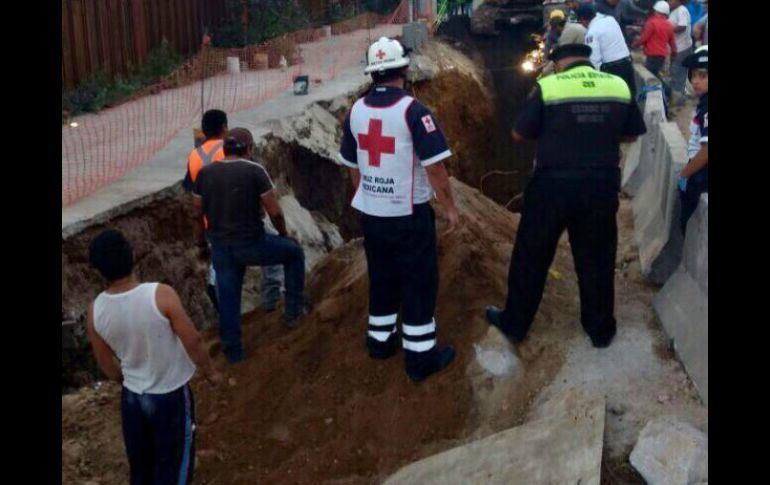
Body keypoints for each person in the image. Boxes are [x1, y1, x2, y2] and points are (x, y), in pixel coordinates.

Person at [485, 43, 646, 348]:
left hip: (552, 184)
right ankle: (600, 330)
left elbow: (519, 133)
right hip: (600, 183)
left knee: (531, 255)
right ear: (589, 61)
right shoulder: (618, 85)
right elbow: (631, 133)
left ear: (559, 64)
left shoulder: (550, 86)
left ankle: (515, 325)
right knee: (597, 256)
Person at [338, 37, 459, 383]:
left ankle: (380, 342)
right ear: (404, 70)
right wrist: (449, 208)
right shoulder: (414, 112)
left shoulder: (355, 110)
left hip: (373, 216)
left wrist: (366, 193)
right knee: (418, 282)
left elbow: (352, 163)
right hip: (408, 215)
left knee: (382, 276)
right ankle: (420, 359)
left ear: (372, 74)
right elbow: (435, 168)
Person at [86, 229, 223, 485]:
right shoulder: (160, 295)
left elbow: (106, 363)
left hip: (132, 400)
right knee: (174, 466)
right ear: (131, 256)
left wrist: (128, 381)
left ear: (99, 271)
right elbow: (192, 340)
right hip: (169, 395)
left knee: (141, 467)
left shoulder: (96, 311)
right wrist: (211, 372)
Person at [193, 127, 307, 363]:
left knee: (228, 299)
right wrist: (284, 234)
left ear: (224, 149)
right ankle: (293, 312)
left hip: (221, 247)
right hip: (252, 243)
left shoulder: (205, 173)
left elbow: (196, 213)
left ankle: (233, 352)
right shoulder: (255, 171)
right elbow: (273, 210)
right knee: (294, 254)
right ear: (249, 149)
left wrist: (201, 244)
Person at [183, 109, 283, 314]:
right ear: (224, 128)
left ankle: (222, 303)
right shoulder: (232, 149)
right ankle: (272, 301)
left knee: (221, 265)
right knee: (276, 253)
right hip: (240, 223)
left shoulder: (194, 156)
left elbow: (193, 195)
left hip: (212, 223)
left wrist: (200, 237)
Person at [578, 4, 637, 101]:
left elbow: (594, 60)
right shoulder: (610, 19)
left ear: (583, 19)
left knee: (616, 103)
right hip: (627, 64)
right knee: (631, 99)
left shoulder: (592, 33)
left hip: (613, 70)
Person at [677, 45, 708, 234]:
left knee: (688, 227)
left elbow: (706, 152)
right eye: (693, 76)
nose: (695, 81)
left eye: (702, 76)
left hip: (702, 176)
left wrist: (685, 174)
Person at [632, 1, 677, 98]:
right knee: (654, 75)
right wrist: (674, 53)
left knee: (653, 77)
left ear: (656, 11)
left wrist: (635, 44)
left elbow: (644, 37)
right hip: (661, 56)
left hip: (652, 55)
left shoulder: (651, 22)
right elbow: (672, 42)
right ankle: (667, 94)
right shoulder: (668, 25)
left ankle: (669, 93)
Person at [667, 0, 693, 107]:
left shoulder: (682, 10)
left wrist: (667, 29)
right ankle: (677, 97)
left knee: (678, 74)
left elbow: (682, 27)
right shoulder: (673, 11)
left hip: (682, 48)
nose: (669, 1)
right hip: (677, 48)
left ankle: (678, 101)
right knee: (675, 73)